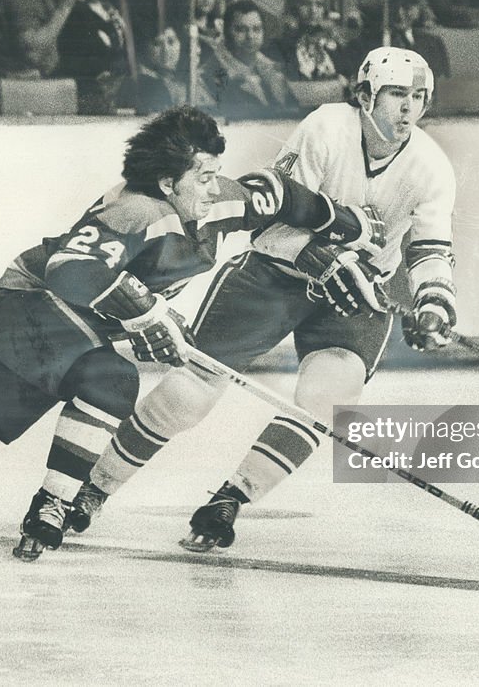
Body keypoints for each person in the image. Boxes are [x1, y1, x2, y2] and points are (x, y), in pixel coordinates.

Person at [0, 105, 387, 546]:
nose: (215, 183)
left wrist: (349, 229)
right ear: (168, 181)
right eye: (201, 174)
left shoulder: (223, 198)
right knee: (111, 380)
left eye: (215, 168)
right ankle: (54, 502)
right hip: (34, 307)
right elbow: (70, 274)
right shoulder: (131, 208)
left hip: (77, 323)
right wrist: (147, 310)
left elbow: (289, 197)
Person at [49, 47, 457, 554]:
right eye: (397, 94)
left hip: (357, 293)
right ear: (365, 94)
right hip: (274, 273)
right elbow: (269, 218)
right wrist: (321, 259)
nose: (408, 109)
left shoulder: (433, 168)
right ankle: (92, 491)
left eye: (419, 97)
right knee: (188, 392)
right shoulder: (327, 127)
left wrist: (434, 304)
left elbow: (431, 250)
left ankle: (230, 499)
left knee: (327, 400)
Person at [202, 0, 298, 119]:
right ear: (226, 33)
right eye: (241, 30)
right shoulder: (212, 75)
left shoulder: (275, 71)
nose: (250, 37)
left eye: (256, 29)